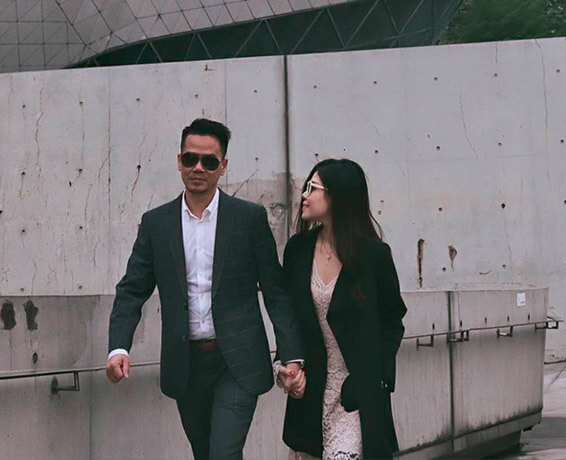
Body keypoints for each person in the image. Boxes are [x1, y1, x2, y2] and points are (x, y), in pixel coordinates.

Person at [105, 118, 305, 460]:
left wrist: (291, 355)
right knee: (204, 453)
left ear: (222, 166)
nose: (198, 168)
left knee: (223, 453)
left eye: (209, 161)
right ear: (179, 160)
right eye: (190, 158)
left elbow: (276, 291)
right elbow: (132, 290)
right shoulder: (156, 223)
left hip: (237, 362)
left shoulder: (248, 219)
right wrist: (118, 348)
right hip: (185, 364)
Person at [279, 159, 407, 460]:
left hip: (356, 394)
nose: (304, 195)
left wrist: (377, 378)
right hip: (311, 393)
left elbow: (392, 319)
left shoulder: (373, 255)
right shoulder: (298, 250)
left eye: (313, 188)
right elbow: (288, 317)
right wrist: (288, 363)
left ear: (337, 196)